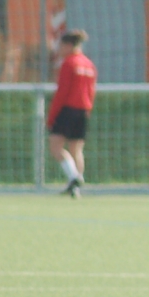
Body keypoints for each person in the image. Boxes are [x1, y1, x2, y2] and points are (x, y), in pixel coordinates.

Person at [46, 30, 96, 199]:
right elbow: (91, 91)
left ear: (68, 45)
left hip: (68, 109)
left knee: (55, 146)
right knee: (76, 149)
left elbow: (62, 92)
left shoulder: (69, 63)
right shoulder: (88, 64)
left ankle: (74, 178)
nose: (59, 49)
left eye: (60, 45)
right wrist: (88, 109)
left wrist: (52, 116)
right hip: (83, 110)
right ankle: (76, 188)